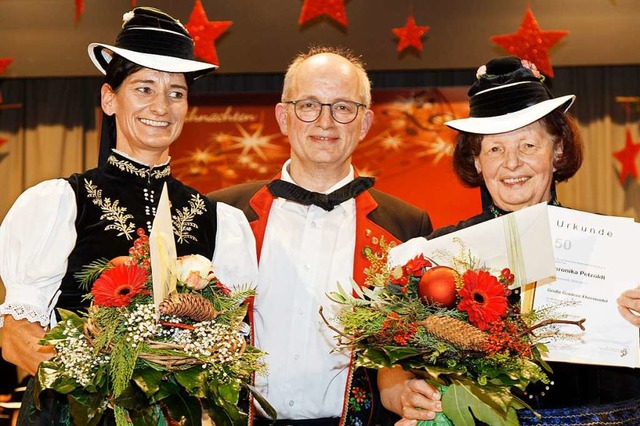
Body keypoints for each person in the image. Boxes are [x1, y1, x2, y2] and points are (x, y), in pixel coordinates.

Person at [0, 7, 257, 424]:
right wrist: (109, 387)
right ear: (109, 98)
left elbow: (232, 346)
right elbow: (16, 339)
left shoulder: (221, 221)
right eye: (144, 88)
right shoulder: (60, 202)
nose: (162, 105)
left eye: (176, 92)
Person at [379, 56, 640, 425]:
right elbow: (391, 355)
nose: (512, 163)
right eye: (495, 149)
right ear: (477, 162)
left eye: (528, 146)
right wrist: (401, 388)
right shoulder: (439, 253)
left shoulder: (621, 246)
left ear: (558, 150)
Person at [210, 46, 433, 425]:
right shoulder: (223, 215)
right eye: (309, 104)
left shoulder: (408, 227)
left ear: (364, 123)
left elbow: (412, 349)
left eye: (343, 107)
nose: (325, 122)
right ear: (284, 117)